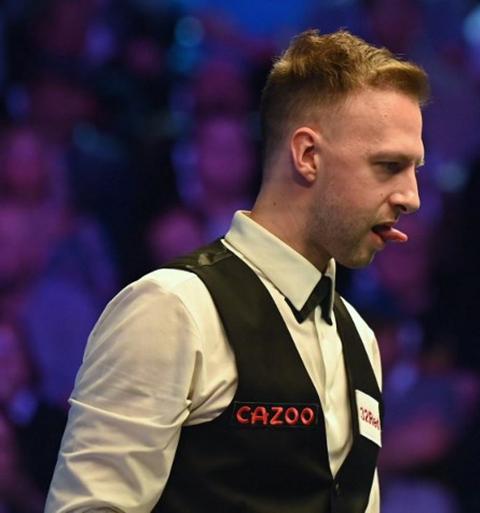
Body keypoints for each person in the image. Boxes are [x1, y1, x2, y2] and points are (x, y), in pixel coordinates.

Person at [46, 29, 429, 513]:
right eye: (389, 166)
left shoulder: (358, 336)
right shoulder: (173, 308)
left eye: (414, 169)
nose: (411, 197)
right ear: (308, 156)